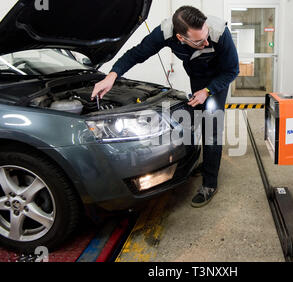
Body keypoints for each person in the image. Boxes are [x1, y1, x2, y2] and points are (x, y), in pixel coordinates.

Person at [91, 6, 239, 207]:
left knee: (211, 126)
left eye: (206, 37)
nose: (206, 42)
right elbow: (137, 54)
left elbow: (232, 71)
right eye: (198, 41)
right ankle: (207, 162)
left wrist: (208, 91)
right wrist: (112, 75)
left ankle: (210, 182)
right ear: (180, 38)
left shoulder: (219, 32)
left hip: (217, 81)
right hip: (197, 78)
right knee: (195, 120)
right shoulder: (164, 33)